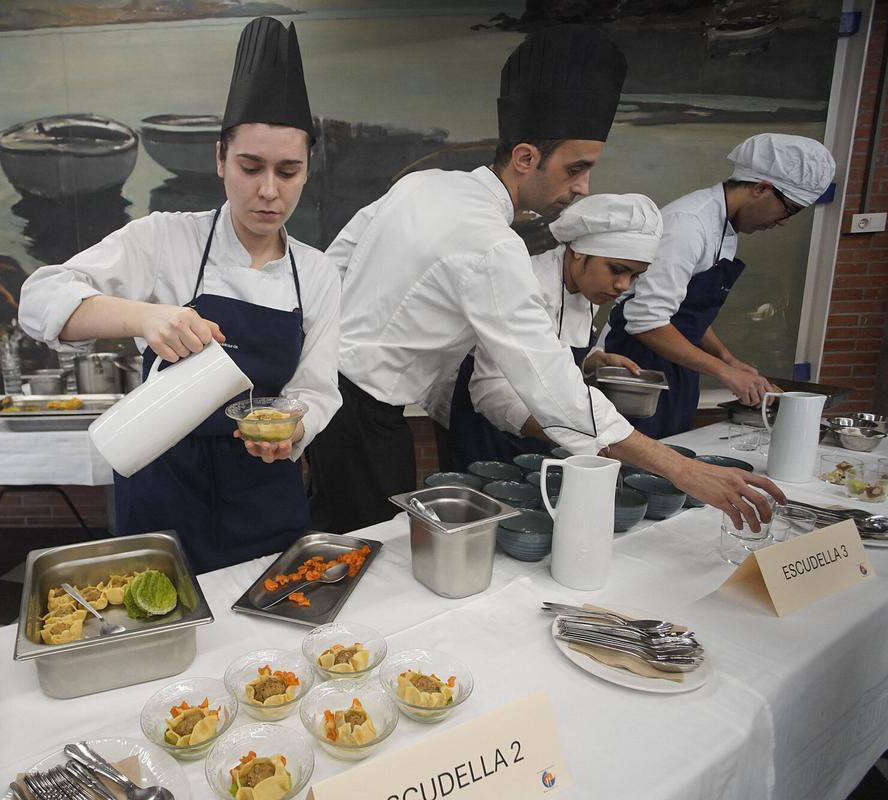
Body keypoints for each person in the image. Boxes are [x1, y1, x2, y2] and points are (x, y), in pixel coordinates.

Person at [307, 24, 784, 535]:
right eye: (576, 169)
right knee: (372, 548)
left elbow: (329, 273)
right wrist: (682, 469)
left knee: (339, 533)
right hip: (366, 418)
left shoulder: (422, 185)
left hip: (330, 398)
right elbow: (552, 385)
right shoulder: (494, 244)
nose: (583, 188)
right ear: (526, 158)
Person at [19, 17, 341, 573]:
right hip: (163, 481)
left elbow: (315, 389)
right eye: (250, 167)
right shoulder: (164, 238)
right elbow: (39, 299)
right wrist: (143, 317)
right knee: (161, 612)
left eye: (288, 172)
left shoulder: (315, 272)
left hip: (263, 486)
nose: (269, 190)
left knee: (269, 614)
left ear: (307, 171)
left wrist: (294, 427)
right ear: (220, 160)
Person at [602, 133, 836, 438]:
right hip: (638, 368)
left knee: (673, 450)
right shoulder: (689, 225)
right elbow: (646, 321)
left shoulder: (724, 226)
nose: (783, 221)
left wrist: (728, 359)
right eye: (789, 209)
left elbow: (685, 312)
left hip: (676, 364)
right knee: (636, 456)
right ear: (761, 188)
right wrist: (724, 372)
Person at [424, 193, 659, 471]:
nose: (623, 285)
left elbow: (553, 343)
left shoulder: (589, 289)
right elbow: (490, 390)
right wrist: (573, 433)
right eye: (617, 269)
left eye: (635, 275)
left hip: (538, 420)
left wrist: (593, 359)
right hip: (479, 417)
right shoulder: (525, 283)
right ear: (579, 252)